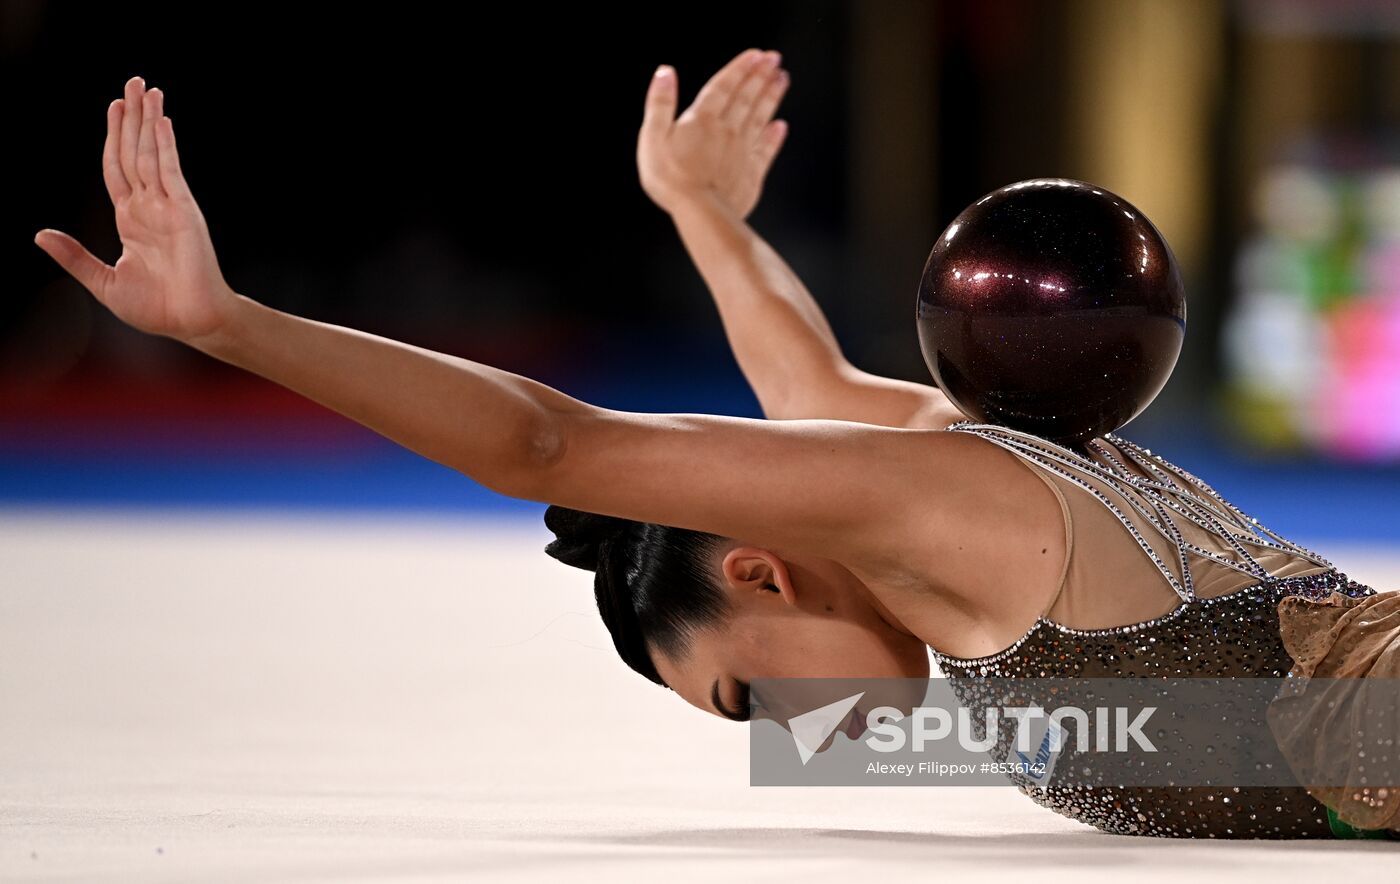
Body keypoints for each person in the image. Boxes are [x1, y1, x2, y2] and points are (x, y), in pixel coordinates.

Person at [32, 50, 1398, 841]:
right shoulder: (976, 460)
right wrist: (704, 214)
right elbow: (799, 378)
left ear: (758, 573)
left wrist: (231, 329)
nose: (803, 741)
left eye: (746, 701)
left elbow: (546, 441)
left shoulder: (936, 504)